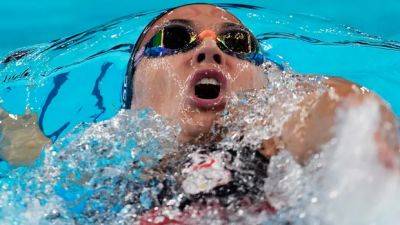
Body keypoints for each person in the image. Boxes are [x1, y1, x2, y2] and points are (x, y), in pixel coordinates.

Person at [121, 3, 399, 223]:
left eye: (238, 43)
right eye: (175, 38)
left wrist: (362, 142)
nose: (209, 49)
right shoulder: (104, 183)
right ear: (132, 96)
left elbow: (325, 109)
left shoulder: (278, 160)